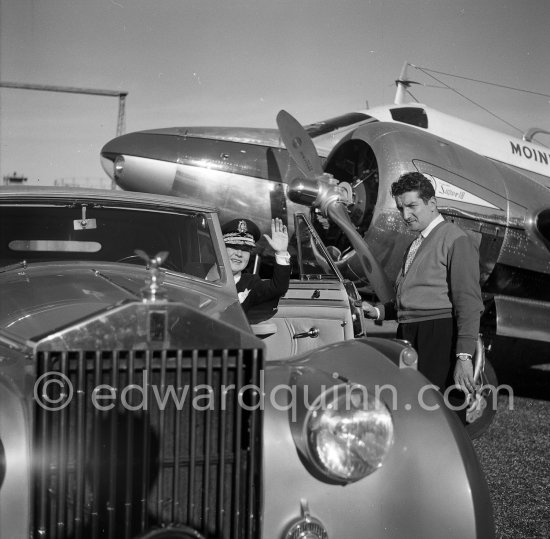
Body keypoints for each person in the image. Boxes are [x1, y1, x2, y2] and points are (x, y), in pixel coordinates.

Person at [363, 172, 484, 395]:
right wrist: (378, 312)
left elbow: (468, 302)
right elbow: (412, 299)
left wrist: (464, 356)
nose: (405, 215)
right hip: (410, 333)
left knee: (438, 410)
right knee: (411, 405)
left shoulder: (456, 239)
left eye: (412, 206)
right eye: (401, 208)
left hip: (438, 335)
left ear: (432, 203)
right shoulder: (416, 243)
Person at [222, 217, 290, 313]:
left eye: (246, 249)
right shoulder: (198, 272)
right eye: (234, 247)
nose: (239, 254)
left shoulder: (251, 283)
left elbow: (278, 288)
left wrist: (281, 252)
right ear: (220, 248)